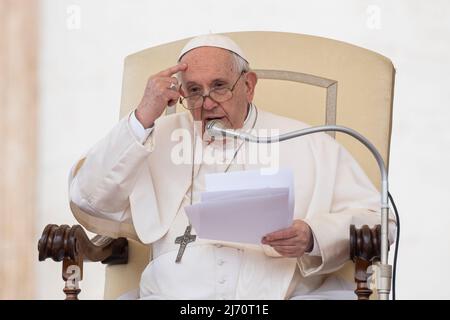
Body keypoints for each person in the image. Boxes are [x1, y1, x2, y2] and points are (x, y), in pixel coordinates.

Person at [69, 34, 394, 299]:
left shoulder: (308, 141)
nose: (207, 102)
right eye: (194, 90)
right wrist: (142, 117)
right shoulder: (153, 137)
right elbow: (87, 198)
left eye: (219, 86)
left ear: (248, 85)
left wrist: (313, 236)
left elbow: (380, 221)